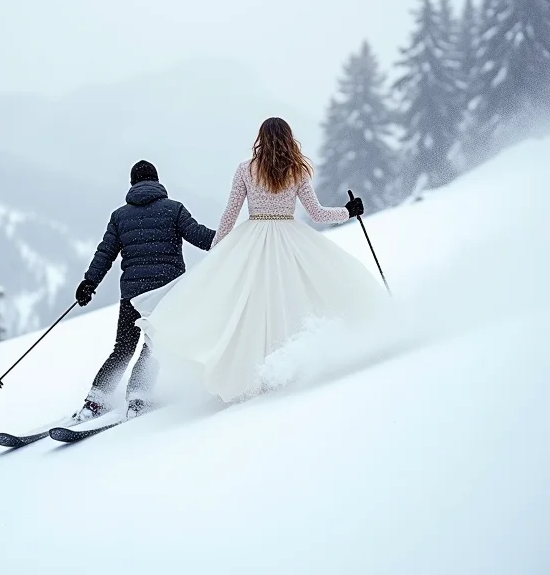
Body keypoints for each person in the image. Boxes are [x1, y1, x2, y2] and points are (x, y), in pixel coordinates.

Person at [132, 117, 389, 404]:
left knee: (251, 307)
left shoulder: (246, 169)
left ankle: (255, 369)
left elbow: (229, 216)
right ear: (289, 138)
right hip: (291, 240)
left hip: (252, 241)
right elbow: (316, 214)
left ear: (261, 139)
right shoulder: (297, 170)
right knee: (295, 297)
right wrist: (348, 211)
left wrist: (217, 252)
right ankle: (292, 364)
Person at [71, 159, 216, 421]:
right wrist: (235, 237)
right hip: (166, 294)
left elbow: (105, 254)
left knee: (123, 348)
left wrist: (88, 283)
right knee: (153, 346)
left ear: (132, 184)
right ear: (157, 182)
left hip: (133, 296)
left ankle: (94, 401)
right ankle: (138, 397)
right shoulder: (174, 210)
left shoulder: (119, 216)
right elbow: (202, 237)